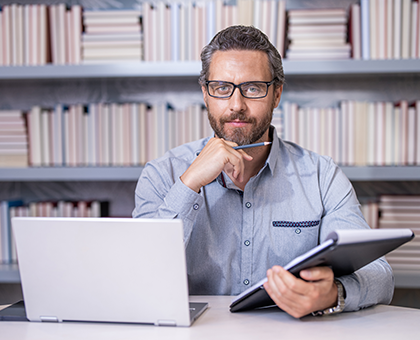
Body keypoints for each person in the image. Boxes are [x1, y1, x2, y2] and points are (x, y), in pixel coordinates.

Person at [132, 25, 393, 318]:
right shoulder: (162, 174)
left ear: (277, 94)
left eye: (253, 88)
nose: (236, 105)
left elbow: (379, 274)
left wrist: (333, 294)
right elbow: (136, 277)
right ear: (205, 93)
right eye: (221, 88)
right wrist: (189, 184)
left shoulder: (322, 176)